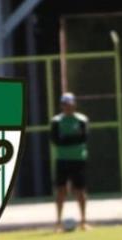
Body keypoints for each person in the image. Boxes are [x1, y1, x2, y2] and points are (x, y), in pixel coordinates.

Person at [50, 92, 89, 232]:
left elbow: (83, 138)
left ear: (74, 104)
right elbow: (56, 140)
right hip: (62, 159)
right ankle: (58, 222)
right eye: (64, 104)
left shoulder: (82, 120)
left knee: (80, 190)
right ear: (61, 105)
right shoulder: (56, 121)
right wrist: (71, 138)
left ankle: (84, 221)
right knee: (61, 190)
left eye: (69, 104)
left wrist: (66, 139)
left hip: (78, 159)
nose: (67, 107)